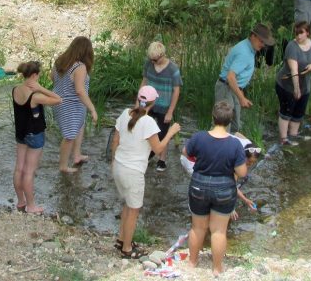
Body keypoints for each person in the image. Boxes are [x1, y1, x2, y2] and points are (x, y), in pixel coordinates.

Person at [110, 86, 181, 259]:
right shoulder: (148, 122)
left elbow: (116, 140)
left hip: (119, 167)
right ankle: (127, 249)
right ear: (153, 102)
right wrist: (170, 132)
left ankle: (121, 239)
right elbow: (158, 149)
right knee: (134, 210)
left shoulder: (126, 113)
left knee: (127, 204)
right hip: (133, 172)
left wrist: (114, 161)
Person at [184, 100, 248, 276]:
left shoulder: (198, 137)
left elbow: (186, 153)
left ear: (213, 117)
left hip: (198, 184)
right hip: (224, 188)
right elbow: (241, 172)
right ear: (230, 121)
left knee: (197, 227)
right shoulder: (235, 144)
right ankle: (217, 268)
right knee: (218, 230)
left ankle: (192, 262)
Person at [12, 61, 62, 214]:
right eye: (38, 75)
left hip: (21, 134)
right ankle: (31, 206)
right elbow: (58, 99)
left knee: (19, 168)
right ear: (34, 75)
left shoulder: (16, 90)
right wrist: (41, 88)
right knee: (29, 171)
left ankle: (21, 202)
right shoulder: (36, 95)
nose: (39, 78)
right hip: (35, 135)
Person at [180, 132, 260, 220]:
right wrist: (230, 208)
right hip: (190, 160)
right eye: (248, 162)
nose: (250, 165)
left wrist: (245, 200)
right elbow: (232, 186)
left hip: (204, 155)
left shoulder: (249, 145)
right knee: (202, 185)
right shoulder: (234, 157)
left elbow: (237, 134)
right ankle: (194, 207)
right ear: (242, 156)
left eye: (253, 163)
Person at [215, 23, 275, 134]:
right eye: (261, 41)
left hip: (233, 88)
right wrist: (241, 98)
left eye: (264, 42)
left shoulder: (248, 48)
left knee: (235, 125)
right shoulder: (244, 52)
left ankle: (231, 148)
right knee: (223, 125)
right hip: (226, 88)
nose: (263, 45)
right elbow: (230, 77)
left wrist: (240, 96)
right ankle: (216, 149)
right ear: (253, 36)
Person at [52, 36, 98, 173]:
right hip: (70, 104)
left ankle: (77, 155)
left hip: (61, 101)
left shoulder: (60, 61)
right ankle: (63, 166)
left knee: (80, 126)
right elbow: (80, 91)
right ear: (86, 52)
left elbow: (52, 77)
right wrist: (93, 109)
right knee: (70, 136)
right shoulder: (80, 66)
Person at [276, 21, 311, 146]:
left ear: (307, 33)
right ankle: (283, 139)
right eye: (296, 33)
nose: (298, 36)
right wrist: (296, 89)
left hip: (305, 84)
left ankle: (294, 135)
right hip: (287, 84)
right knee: (286, 111)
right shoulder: (292, 46)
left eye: (301, 33)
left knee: (298, 112)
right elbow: (294, 70)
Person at [140, 41, 182, 172]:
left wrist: (170, 111)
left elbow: (176, 91)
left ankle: (161, 159)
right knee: (144, 130)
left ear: (162, 55)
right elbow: (144, 82)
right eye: (150, 59)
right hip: (148, 103)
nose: (152, 62)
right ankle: (143, 156)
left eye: (155, 59)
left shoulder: (173, 69)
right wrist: (139, 102)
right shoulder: (149, 64)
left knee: (163, 134)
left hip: (165, 106)